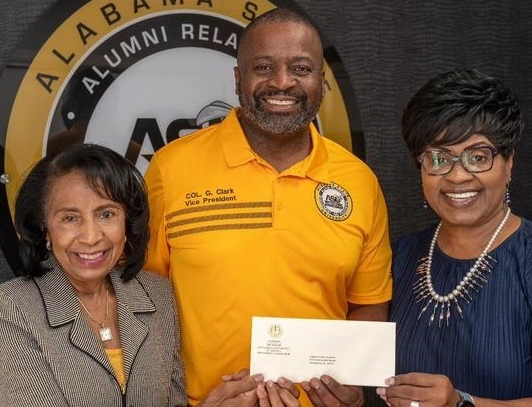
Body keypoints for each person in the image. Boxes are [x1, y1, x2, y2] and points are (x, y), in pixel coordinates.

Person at [144, 7, 393, 407]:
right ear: (239, 78)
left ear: (322, 82)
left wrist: (352, 383)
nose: (282, 83)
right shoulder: (172, 169)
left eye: (300, 68)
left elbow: (368, 300)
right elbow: (143, 302)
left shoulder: (358, 182)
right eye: (264, 66)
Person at [377, 69, 532, 407]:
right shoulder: (403, 257)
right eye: (438, 158)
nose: (458, 175)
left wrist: (462, 404)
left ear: (509, 164)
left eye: (478, 157)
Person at [0, 144, 286, 407]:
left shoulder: (158, 296)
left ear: (128, 221)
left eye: (106, 214)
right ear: (44, 227)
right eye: (70, 218)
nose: (90, 236)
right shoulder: (8, 308)